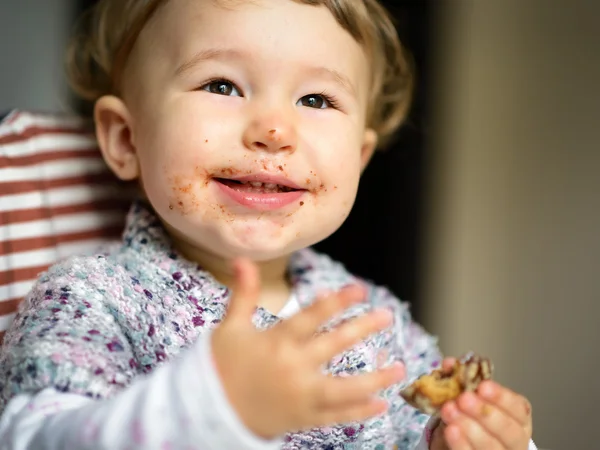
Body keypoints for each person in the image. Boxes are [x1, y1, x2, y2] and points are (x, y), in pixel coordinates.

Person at [0, 1, 537, 449]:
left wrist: (463, 438)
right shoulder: (95, 301)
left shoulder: (371, 318)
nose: (275, 130)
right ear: (125, 139)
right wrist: (208, 406)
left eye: (315, 99)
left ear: (360, 157)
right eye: (222, 86)